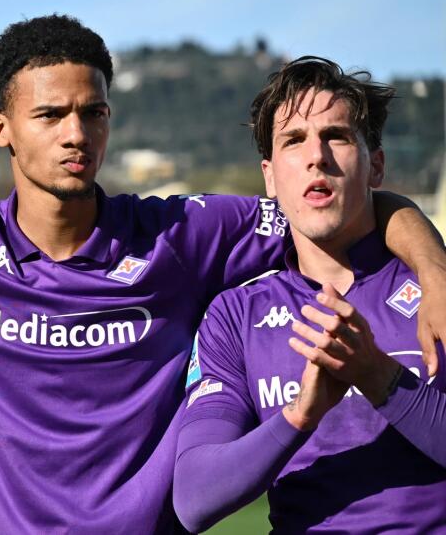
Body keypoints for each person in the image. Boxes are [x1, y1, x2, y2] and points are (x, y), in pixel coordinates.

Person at [0, 16, 446, 531]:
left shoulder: (182, 235)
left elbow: (340, 201)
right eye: (50, 114)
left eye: (91, 114)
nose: (74, 135)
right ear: (1, 129)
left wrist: (432, 264)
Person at [174, 56, 446, 532]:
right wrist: (302, 413)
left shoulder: (435, 288)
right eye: (294, 141)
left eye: (336, 136)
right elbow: (195, 497)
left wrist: (377, 375)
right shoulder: (235, 315)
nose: (316, 156)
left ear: (375, 165)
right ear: (270, 177)